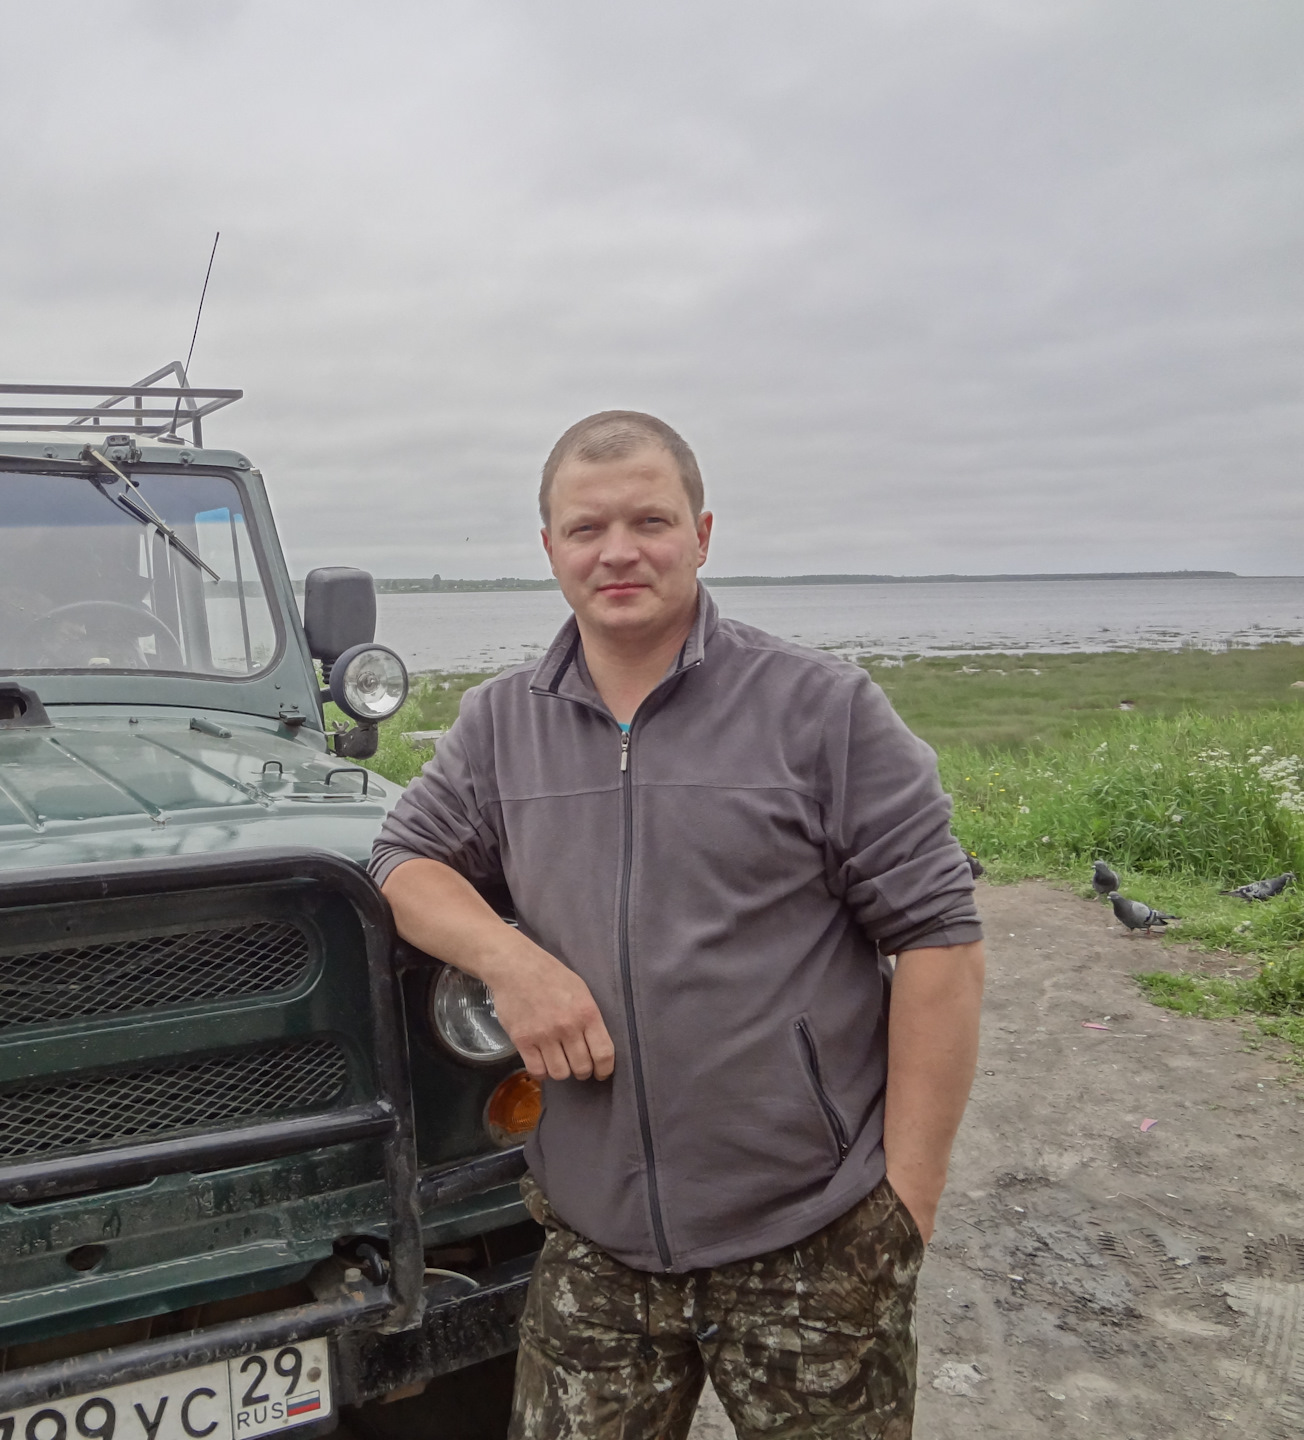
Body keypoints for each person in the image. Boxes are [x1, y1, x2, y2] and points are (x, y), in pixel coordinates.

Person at [370, 412, 986, 1439]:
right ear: (550, 550)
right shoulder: (499, 722)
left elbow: (940, 944)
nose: (618, 551)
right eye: (586, 528)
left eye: (650, 521)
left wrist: (904, 1207)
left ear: (701, 534)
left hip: (813, 1240)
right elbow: (404, 861)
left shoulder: (821, 710)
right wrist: (508, 959)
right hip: (593, 1245)